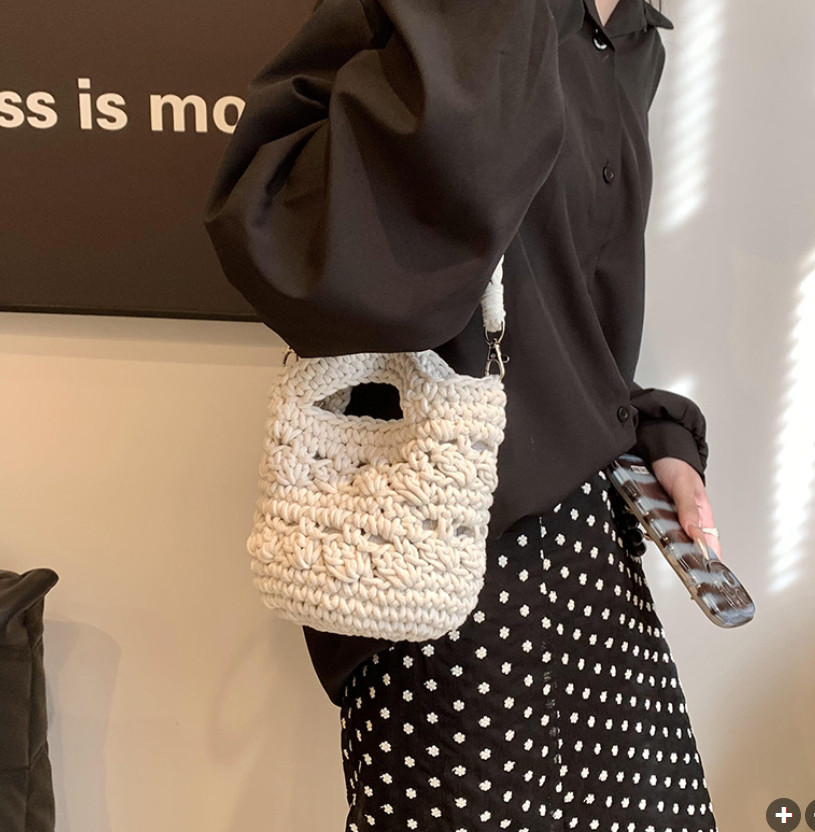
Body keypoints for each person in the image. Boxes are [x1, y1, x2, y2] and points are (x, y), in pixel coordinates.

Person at [203, 0, 722, 828]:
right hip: (441, 545)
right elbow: (304, 262)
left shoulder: (631, 37)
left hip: (590, 546)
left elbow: (566, 305)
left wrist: (651, 432)